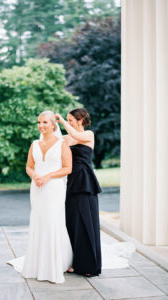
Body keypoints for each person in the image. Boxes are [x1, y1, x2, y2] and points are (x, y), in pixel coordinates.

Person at [7, 111, 73, 284]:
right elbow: (29, 166)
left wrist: (48, 176)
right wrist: (34, 176)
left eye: (45, 122)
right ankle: (37, 264)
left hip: (54, 188)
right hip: (37, 188)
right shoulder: (34, 144)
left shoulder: (61, 144)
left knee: (52, 221)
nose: (41, 125)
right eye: (39, 122)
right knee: (38, 221)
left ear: (53, 125)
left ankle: (54, 265)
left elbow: (68, 168)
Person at [55, 108, 102, 277]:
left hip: (85, 181)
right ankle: (73, 261)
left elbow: (76, 136)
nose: (68, 122)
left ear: (80, 120)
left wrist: (62, 121)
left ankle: (89, 265)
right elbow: (57, 144)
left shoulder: (88, 134)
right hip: (70, 181)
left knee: (86, 222)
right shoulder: (67, 137)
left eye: (71, 120)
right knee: (72, 222)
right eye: (67, 120)